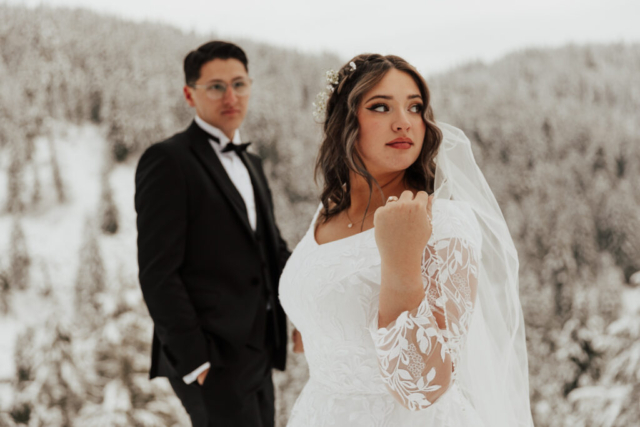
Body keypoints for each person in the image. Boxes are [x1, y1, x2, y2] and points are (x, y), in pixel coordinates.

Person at [278, 54, 534, 426]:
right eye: (381, 107)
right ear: (343, 121)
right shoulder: (327, 211)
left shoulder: (444, 224)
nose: (404, 122)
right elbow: (330, 303)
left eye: (415, 108)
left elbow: (422, 388)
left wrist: (401, 261)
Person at [135, 40, 292, 427]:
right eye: (216, 86)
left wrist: (306, 308)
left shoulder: (252, 163)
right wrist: (196, 361)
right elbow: (157, 272)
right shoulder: (167, 160)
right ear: (190, 94)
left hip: (260, 348)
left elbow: (271, 249)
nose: (231, 96)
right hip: (211, 356)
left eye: (239, 84)